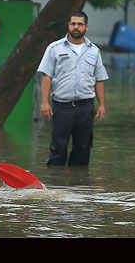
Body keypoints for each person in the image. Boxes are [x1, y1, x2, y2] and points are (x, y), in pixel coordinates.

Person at [37, 10, 109, 166]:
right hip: (62, 106)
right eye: (73, 23)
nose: (76, 27)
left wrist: (102, 105)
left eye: (80, 24)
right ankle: (56, 185)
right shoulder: (54, 48)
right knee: (58, 147)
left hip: (86, 107)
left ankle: (79, 186)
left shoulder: (94, 51)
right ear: (68, 25)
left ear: (86, 27)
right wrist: (44, 102)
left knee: (83, 148)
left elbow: (99, 80)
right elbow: (46, 77)